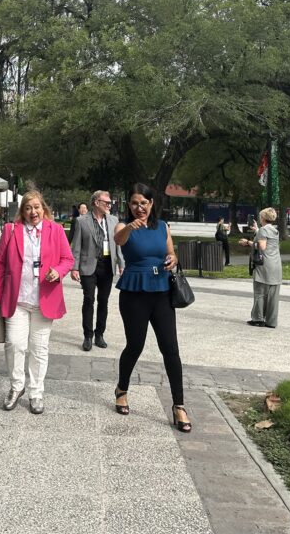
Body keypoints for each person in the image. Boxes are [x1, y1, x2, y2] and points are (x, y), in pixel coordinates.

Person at [113, 183, 190, 432]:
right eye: (135, 203)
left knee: (171, 349)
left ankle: (179, 405)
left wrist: (173, 259)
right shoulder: (123, 226)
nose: (140, 208)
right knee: (135, 346)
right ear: (129, 205)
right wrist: (131, 227)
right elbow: (118, 240)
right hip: (134, 292)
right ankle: (122, 389)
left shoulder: (163, 226)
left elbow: (171, 252)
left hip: (162, 292)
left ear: (151, 204)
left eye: (144, 203)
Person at [0, 190, 75, 415]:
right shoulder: (11, 230)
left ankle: (36, 392)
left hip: (43, 300)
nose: (33, 212)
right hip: (17, 299)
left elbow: (68, 259)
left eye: (36, 207)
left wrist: (58, 271)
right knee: (14, 344)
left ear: (43, 208)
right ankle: (16, 386)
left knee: (39, 349)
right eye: (28, 208)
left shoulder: (55, 230)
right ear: (23, 211)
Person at [70, 190, 124, 351]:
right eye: (106, 202)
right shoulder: (82, 221)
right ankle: (88, 336)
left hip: (107, 265)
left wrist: (121, 263)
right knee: (88, 299)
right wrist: (74, 267)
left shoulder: (114, 220)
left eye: (110, 203)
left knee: (103, 301)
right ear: (96, 203)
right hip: (88, 265)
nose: (109, 205)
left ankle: (99, 334)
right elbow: (76, 246)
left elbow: (118, 244)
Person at [239, 207, 283, 329]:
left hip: (264, 265)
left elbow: (262, 246)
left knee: (260, 292)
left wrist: (247, 242)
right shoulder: (275, 230)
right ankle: (271, 321)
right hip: (276, 265)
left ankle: (258, 318)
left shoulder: (263, 230)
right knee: (273, 296)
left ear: (263, 218)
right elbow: (267, 239)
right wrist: (257, 230)